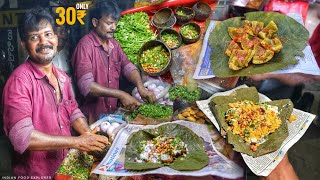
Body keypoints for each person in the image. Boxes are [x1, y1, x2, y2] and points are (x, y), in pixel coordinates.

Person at [2, 7, 109, 177]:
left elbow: (73, 111)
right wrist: (78, 142)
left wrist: (87, 134)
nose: (43, 42)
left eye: (48, 34)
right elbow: (23, 137)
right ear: (24, 44)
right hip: (37, 173)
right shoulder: (19, 81)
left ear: (56, 38)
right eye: (34, 37)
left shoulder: (62, 77)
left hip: (64, 168)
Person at [71, 1, 156, 122]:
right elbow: (87, 87)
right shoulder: (85, 46)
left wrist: (140, 87)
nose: (113, 28)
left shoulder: (114, 45)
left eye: (115, 24)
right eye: (109, 23)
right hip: (92, 117)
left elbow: (128, 67)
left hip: (112, 114)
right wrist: (121, 94)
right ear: (95, 22)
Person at [52, 25, 77, 96]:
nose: (63, 35)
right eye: (60, 31)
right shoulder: (42, 55)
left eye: (65, 31)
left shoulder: (69, 51)